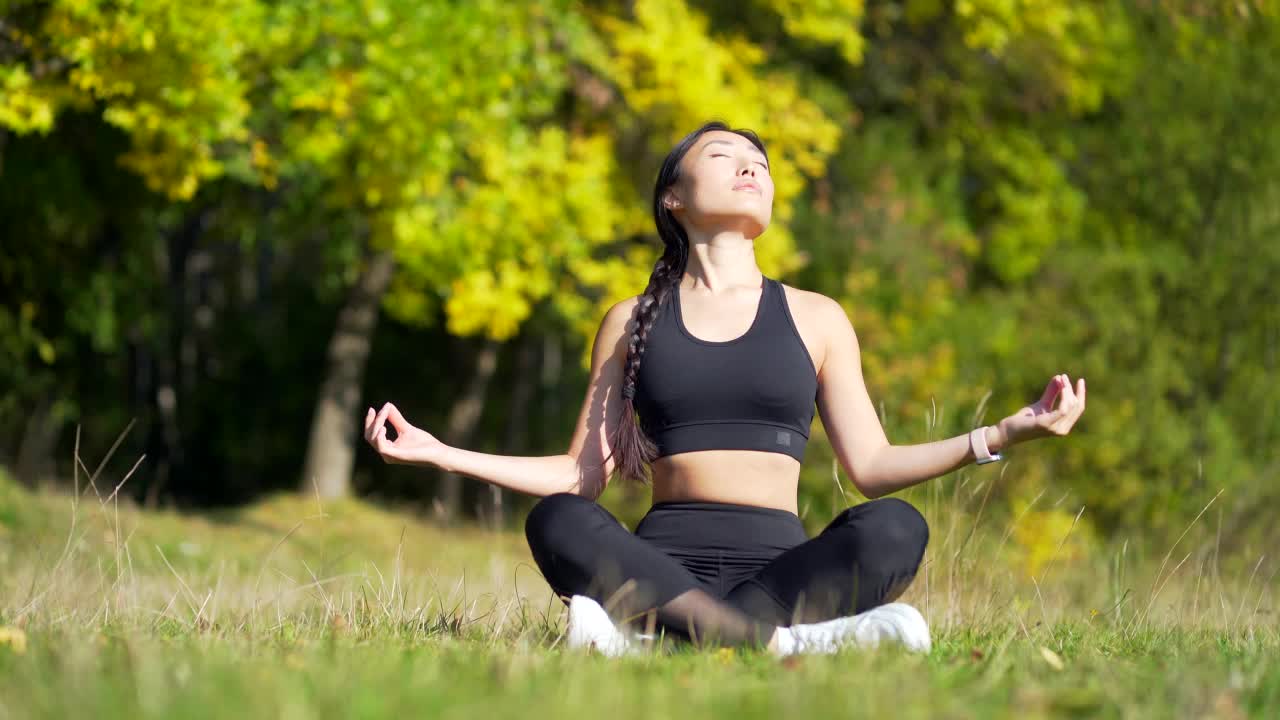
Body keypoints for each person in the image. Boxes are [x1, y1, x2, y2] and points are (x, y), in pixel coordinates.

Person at [362, 121, 1087, 656]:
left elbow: (870, 469)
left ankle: (656, 639)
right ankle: (783, 645)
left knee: (897, 528)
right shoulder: (630, 321)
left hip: (780, 568)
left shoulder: (817, 316)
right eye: (724, 156)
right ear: (673, 198)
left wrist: (1000, 435)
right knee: (557, 520)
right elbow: (579, 476)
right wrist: (442, 454)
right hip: (660, 562)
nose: (751, 168)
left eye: (760, 163)